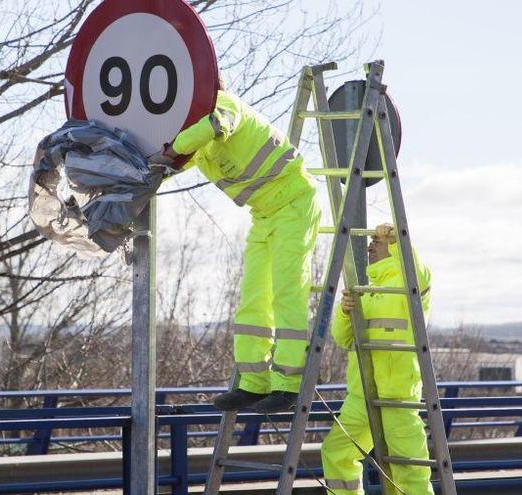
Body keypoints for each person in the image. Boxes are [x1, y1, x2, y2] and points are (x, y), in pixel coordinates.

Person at [150, 85, 321, 413]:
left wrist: (172, 150)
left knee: (287, 294)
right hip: (264, 213)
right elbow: (170, 165)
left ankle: (287, 386)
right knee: (253, 300)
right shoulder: (199, 145)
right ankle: (253, 384)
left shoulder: (224, 105)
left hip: (295, 202)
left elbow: (212, 127)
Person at [320, 223, 434, 495]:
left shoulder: (408, 286)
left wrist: (395, 239)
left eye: (377, 242)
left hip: (397, 396)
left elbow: (418, 274)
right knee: (337, 451)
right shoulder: (365, 291)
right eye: (371, 241)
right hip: (362, 394)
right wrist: (344, 314)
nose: (371, 245)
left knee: (408, 469)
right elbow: (343, 339)